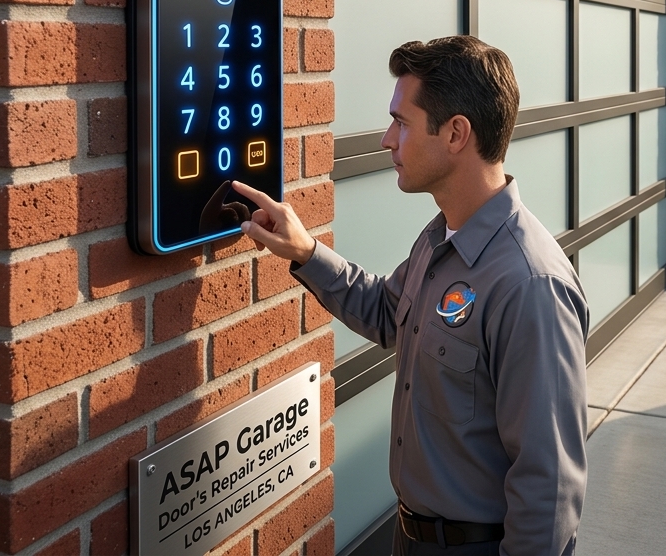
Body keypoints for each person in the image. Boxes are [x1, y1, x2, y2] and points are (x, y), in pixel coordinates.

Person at [233, 35, 588, 555]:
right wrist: (305, 250)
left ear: (455, 134)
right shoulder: (442, 237)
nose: (385, 139)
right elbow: (385, 312)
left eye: (402, 122)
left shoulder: (530, 285)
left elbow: (549, 487)